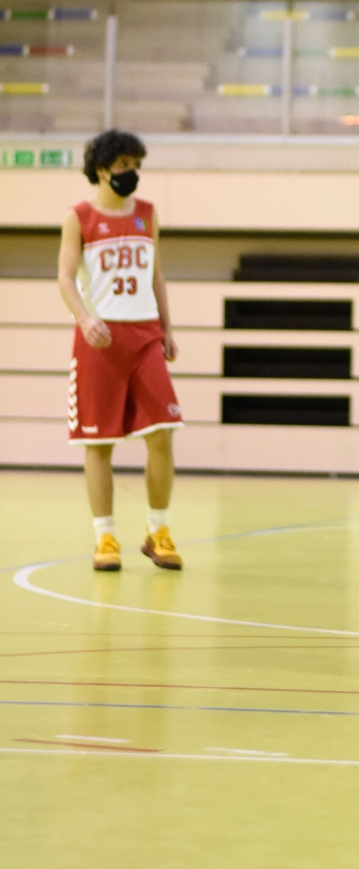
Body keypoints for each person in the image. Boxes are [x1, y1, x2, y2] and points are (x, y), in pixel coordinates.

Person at [58, 130, 184, 572]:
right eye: (124, 165)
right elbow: (65, 278)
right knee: (99, 443)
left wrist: (167, 328)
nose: (132, 172)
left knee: (163, 431)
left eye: (136, 164)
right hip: (101, 340)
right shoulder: (79, 217)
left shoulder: (147, 214)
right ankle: (105, 537)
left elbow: (156, 276)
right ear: (101, 169)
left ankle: (158, 531)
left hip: (145, 336)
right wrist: (84, 318)